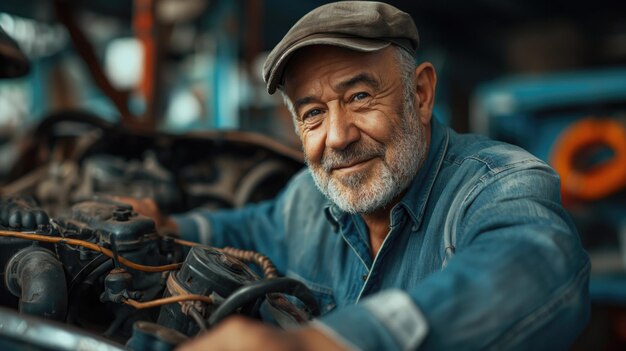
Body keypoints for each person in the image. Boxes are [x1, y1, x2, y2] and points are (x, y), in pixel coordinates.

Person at [130, 2, 591, 350]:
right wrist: (171, 227)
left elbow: (533, 266)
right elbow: (253, 228)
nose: (337, 136)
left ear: (422, 94)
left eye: (359, 97)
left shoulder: (500, 183)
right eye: (313, 113)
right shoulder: (307, 200)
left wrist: (322, 343)